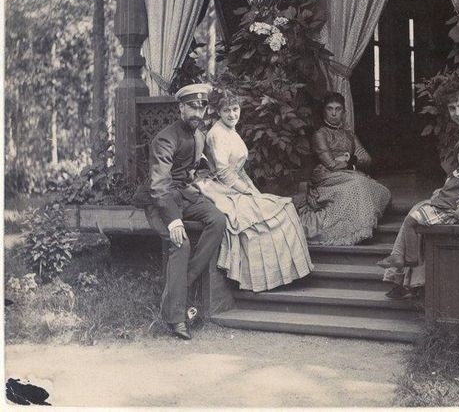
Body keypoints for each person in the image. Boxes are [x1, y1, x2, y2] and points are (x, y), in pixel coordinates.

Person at [381, 89, 459, 298]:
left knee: (421, 215)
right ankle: (409, 281)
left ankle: (408, 281)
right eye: (452, 108)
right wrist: (444, 189)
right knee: (418, 212)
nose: (457, 113)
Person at [133, 83, 227, 341]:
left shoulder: (199, 135)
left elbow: (201, 166)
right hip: (159, 202)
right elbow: (159, 186)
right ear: (181, 108)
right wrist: (174, 221)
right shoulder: (165, 138)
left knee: (218, 220)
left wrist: (203, 179)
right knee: (180, 243)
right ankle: (175, 318)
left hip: (185, 194)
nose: (198, 113)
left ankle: (183, 284)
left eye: (202, 108)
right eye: (192, 108)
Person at [195, 88, 313, 292]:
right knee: (273, 214)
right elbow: (224, 172)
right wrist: (246, 192)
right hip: (221, 189)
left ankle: (285, 274)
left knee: (280, 207)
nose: (232, 114)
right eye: (226, 111)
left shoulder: (230, 130)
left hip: (234, 185)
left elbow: (239, 170)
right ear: (218, 112)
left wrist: (254, 191)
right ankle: (262, 279)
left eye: (235, 109)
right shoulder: (217, 134)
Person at [376, 136, 459, 297]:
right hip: (442, 207)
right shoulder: (456, 174)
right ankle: (404, 273)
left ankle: (405, 271)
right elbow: (448, 190)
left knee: (413, 220)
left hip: (452, 213)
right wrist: (439, 193)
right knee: (413, 218)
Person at [297, 92, 391, 246]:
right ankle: (355, 231)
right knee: (358, 184)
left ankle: (360, 223)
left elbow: (366, 158)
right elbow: (331, 164)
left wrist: (349, 160)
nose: (334, 113)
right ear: (324, 111)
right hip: (326, 176)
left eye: (338, 109)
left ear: (344, 112)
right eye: (330, 109)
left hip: (349, 173)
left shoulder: (349, 135)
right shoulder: (320, 134)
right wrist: (351, 161)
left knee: (382, 191)